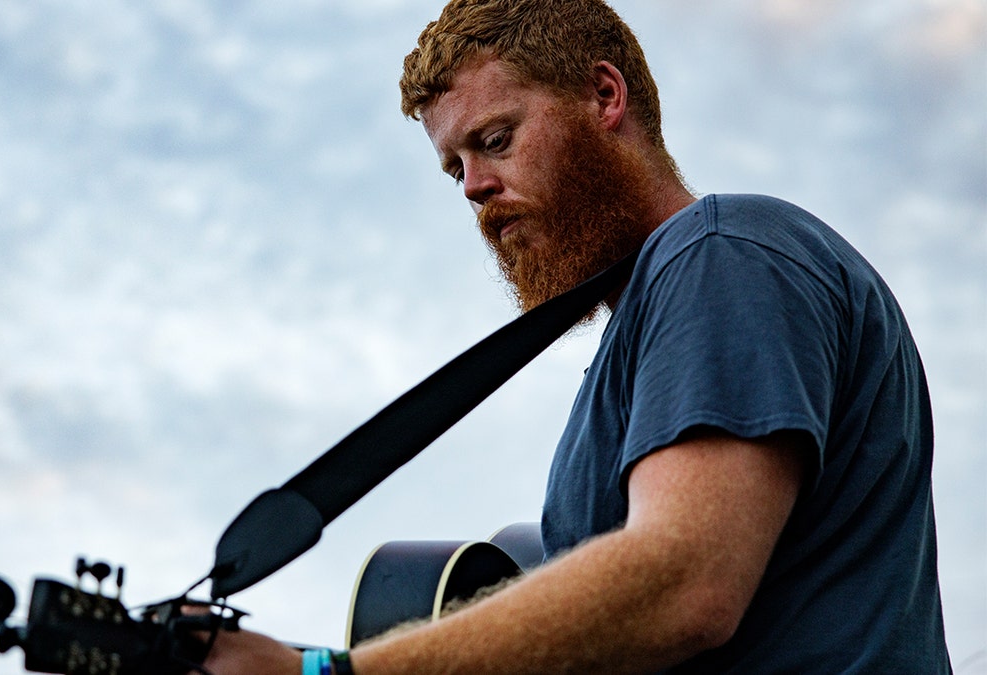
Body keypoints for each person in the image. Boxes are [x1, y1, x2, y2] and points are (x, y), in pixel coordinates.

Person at [199, 0, 952, 672]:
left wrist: (323, 674)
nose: (473, 187)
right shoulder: (650, 328)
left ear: (604, 95)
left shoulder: (720, 253)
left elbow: (686, 581)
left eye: (495, 138)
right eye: (453, 166)